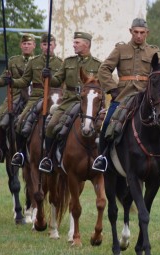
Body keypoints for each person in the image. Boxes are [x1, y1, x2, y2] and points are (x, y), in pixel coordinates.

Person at [91, 18, 160, 172]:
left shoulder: (153, 51)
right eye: (135, 32)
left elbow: (158, 74)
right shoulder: (120, 50)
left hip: (145, 97)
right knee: (108, 123)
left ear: (147, 33)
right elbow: (104, 69)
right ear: (130, 31)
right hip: (123, 96)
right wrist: (112, 89)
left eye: (142, 33)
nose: (138, 36)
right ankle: (102, 158)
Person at [38, 31, 102, 173]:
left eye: (77, 42)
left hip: (89, 104)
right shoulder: (68, 62)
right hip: (69, 101)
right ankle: (48, 158)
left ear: (86, 44)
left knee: (103, 128)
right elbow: (56, 81)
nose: (74, 45)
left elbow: (102, 86)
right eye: (74, 42)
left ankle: (102, 159)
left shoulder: (98, 65)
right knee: (52, 125)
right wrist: (47, 76)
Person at [8, 33, 62, 167]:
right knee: (21, 120)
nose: (47, 47)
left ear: (54, 45)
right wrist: (11, 81)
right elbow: (24, 81)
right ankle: (20, 153)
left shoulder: (61, 63)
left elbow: (63, 83)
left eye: (50, 44)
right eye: (44, 44)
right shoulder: (34, 62)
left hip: (55, 97)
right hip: (36, 96)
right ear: (41, 46)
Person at [0, 33, 36, 163]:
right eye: (24, 44)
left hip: (34, 95)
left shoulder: (39, 61)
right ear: (20, 45)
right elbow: (2, 79)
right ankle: (0, 149)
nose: (26, 46)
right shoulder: (13, 61)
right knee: (0, 118)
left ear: (34, 45)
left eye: (29, 44)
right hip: (15, 95)